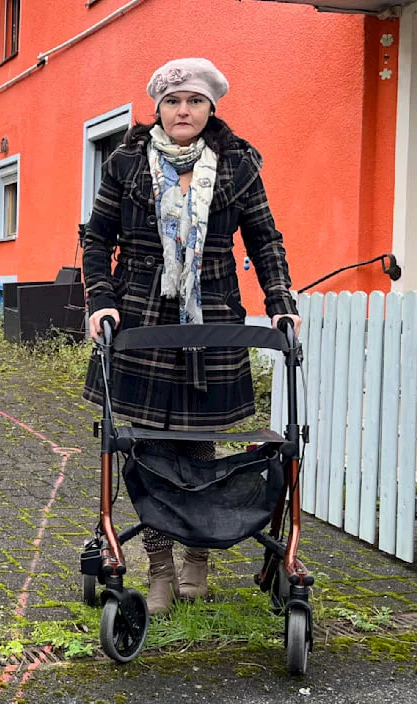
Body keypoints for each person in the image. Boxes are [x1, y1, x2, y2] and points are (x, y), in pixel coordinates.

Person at [80, 58, 301, 615]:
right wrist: (100, 301)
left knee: (200, 444)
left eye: (195, 101)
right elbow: (96, 239)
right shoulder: (126, 162)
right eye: (174, 101)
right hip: (141, 316)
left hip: (213, 317)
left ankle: (196, 558)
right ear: (158, 107)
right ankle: (157, 565)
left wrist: (280, 304)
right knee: (149, 445)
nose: (185, 110)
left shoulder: (238, 165)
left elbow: (265, 238)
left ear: (210, 108)